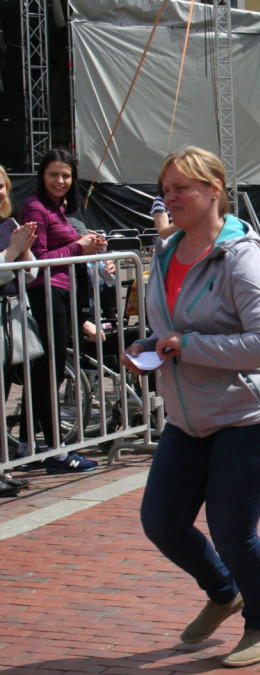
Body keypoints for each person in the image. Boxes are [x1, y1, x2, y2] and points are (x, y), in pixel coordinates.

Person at [123, 146, 260, 668]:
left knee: (231, 530)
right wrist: (150, 346)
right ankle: (224, 592)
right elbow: (170, 325)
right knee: (162, 521)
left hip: (251, 415)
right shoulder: (164, 251)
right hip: (187, 415)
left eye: (183, 188)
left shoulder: (240, 256)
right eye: (166, 188)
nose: (170, 197)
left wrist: (186, 344)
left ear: (214, 191)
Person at [18, 149, 106, 473]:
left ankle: (29, 447)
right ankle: (57, 453)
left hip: (64, 293)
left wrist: (91, 246)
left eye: (66, 175)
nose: (60, 180)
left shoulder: (61, 208)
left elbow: (68, 249)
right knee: (50, 371)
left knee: (45, 372)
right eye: (54, 174)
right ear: (42, 176)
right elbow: (39, 259)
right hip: (45, 292)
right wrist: (78, 247)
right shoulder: (35, 207)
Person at [0, 163, 38, 496]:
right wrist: (11, 253)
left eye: (1, 185)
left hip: (9, 319)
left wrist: (24, 250)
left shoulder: (8, 223)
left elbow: (32, 274)